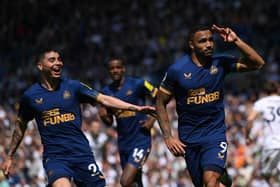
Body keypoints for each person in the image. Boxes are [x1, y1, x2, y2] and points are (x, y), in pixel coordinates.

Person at [1, 49, 155, 187]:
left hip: (81, 154)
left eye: (59, 59)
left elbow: (104, 99)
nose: (58, 63)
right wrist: (9, 156)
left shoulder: (74, 87)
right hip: (56, 157)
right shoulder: (30, 96)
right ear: (40, 66)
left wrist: (136, 108)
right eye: (52, 60)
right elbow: (20, 127)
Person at [155, 24, 265, 187]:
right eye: (203, 41)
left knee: (210, 181)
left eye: (210, 40)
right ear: (191, 45)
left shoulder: (220, 63)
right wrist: (168, 137)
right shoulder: (177, 71)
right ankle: (224, 178)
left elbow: (258, 63)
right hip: (189, 139)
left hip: (215, 135)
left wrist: (236, 41)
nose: (208, 44)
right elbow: (160, 102)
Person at [98, 57, 157, 187]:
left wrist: (152, 120)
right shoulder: (106, 93)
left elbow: (159, 97)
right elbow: (109, 122)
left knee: (125, 181)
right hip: (123, 142)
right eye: (112, 69)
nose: (115, 71)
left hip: (140, 139)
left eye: (118, 67)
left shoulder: (138, 84)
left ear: (123, 69)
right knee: (135, 182)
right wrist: (103, 116)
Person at [246, 81, 280, 185]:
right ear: (278, 90)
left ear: (265, 92)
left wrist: (248, 136)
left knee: (265, 174)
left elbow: (250, 119)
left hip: (270, 144)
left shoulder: (262, 103)